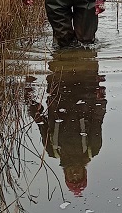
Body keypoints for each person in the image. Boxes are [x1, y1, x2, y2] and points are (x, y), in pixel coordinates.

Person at [26, 50, 106, 197]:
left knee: (58, 59)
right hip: (85, 93)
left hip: (58, 95)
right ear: (84, 173)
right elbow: (97, 121)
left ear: (66, 176)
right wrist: (101, 98)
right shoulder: (92, 149)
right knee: (86, 55)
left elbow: (41, 123)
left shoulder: (52, 151)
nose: (75, 174)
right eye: (78, 177)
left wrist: (30, 98)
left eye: (72, 178)